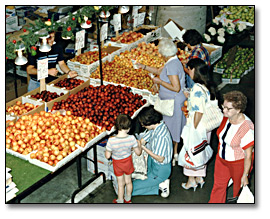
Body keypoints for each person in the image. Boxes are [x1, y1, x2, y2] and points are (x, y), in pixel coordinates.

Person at [136, 38, 186, 166]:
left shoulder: (172, 66)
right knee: (175, 128)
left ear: (164, 53)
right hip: (171, 101)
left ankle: (170, 155)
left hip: (172, 103)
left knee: (171, 129)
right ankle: (174, 154)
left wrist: (160, 82)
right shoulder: (173, 61)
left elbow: (176, 87)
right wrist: (144, 67)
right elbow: (159, 71)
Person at [209, 91, 254, 203]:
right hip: (221, 160)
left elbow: (248, 155)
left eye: (228, 109)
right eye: (224, 107)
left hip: (238, 163)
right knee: (218, 187)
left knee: (237, 192)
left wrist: (245, 174)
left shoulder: (247, 127)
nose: (224, 110)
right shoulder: (226, 117)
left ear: (238, 110)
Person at [180, 58, 213, 191]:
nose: (188, 71)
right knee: (201, 152)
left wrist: (193, 128)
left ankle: (191, 181)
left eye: (188, 69)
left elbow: (198, 111)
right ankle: (200, 177)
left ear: (194, 70)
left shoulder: (197, 88)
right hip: (205, 127)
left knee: (191, 154)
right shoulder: (206, 86)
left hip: (197, 127)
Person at [132, 106, 173, 198]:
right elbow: (147, 137)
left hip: (160, 169)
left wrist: (143, 148)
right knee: (140, 181)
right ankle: (159, 183)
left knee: (129, 190)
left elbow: (160, 158)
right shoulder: (158, 126)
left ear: (149, 123)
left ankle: (160, 184)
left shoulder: (161, 137)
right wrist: (137, 143)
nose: (143, 126)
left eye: (143, 124)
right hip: (153, 163)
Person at [105, 114, 142, 203]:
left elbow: (107, 156)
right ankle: (128, 199)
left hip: (117, 164)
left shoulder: (111, 140)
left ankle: (120, 200)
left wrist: (107, 150)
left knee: (120, 184)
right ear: (129, 127)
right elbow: (138, 153)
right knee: (128, 181)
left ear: (116, 126)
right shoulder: (132, 138)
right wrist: (139, 144)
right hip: (128, 162)